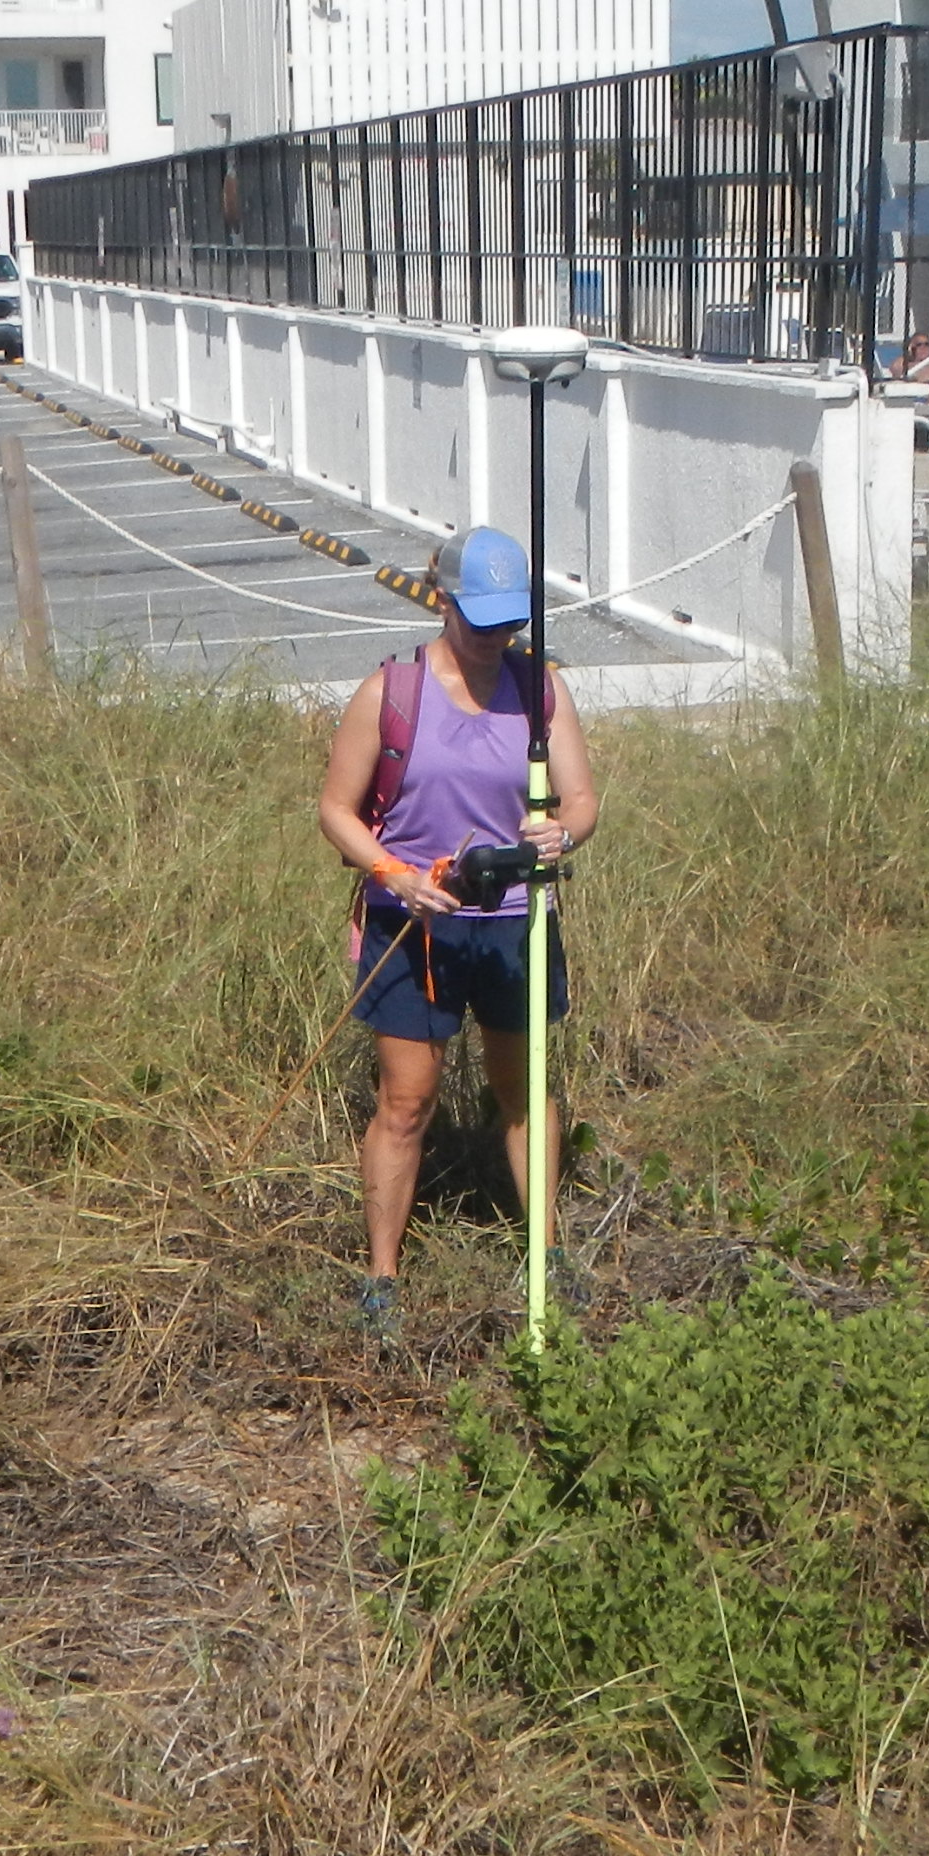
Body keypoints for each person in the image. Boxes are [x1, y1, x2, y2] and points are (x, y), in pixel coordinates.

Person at [314, 523, 602, 1339]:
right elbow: (336, 810)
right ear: (441, 600)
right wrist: (394, 875)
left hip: (514, 921)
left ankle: (545, 1252)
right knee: (407, 1102)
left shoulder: (540, 690)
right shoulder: (392, 692)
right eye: (480, 619)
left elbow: (582, 801)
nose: (494, 637)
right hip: (414, 926)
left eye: (509, 621)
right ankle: (382, 1279)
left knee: (523, 1094)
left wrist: (564, 834)